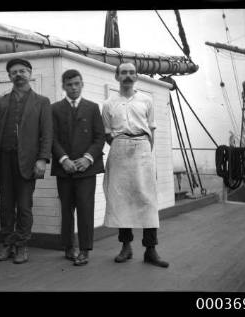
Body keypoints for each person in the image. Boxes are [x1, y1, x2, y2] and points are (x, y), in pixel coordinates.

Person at [102, 62, 169, 268]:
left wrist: (145, 152)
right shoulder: (108, 104)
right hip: (119, 149)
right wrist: (122, 144)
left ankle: (151, 249)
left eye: (132, 73)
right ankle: (126, 247)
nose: (128, 76)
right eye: (124, 73)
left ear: (137, 77)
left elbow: (152, 130)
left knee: (147, 200)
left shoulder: (146, 100)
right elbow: (107, 134)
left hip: (142, 149)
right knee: (121, 199)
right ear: (117, 77)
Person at [0, 58, 53, 264]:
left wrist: (42, 159)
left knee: (24, 206)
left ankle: (22, 246)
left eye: (22, 71)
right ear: (9, 77)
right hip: (4, 161)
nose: (18, 75)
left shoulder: (42, 102)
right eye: (14, 72)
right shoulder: (0, 101)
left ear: (30, 73)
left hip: (28, 162)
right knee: (6, 205)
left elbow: (47, 133)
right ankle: (7, 244)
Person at [51, 69, 105, 266]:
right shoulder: (54, 108)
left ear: (82, 84)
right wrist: (63, 159)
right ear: (63, 86)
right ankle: (68, 247)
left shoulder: (92, 108)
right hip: (64, 169)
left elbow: (99, 138)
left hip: (86, 170)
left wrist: (87, 158)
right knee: (66, 208)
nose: (73, 88)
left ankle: (84, 250)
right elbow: (52, 138)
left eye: (76, 84)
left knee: (85, 208)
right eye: (69, 84)